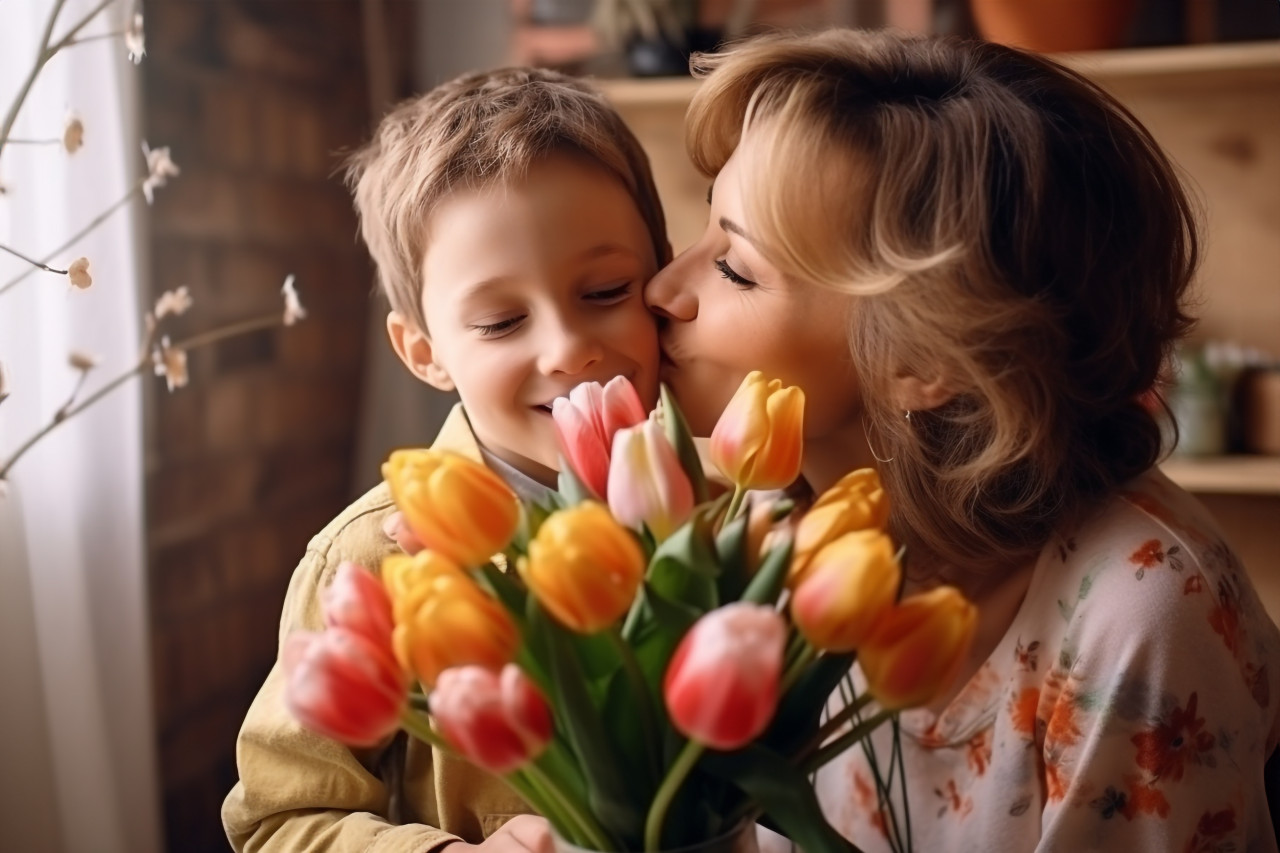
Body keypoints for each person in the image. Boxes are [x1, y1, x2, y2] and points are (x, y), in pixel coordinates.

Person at [643, 28, 1280, 852]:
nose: (663, 288)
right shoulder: (754, 530)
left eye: (736, 267)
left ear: (928, 357)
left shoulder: (1141, 612)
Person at [222, 66, 669, 853]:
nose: (567, 349)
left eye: (605, 290)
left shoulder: (718, 513)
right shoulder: (367, 562)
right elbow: (275, 819)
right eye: (500, 322)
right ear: (425, 351)